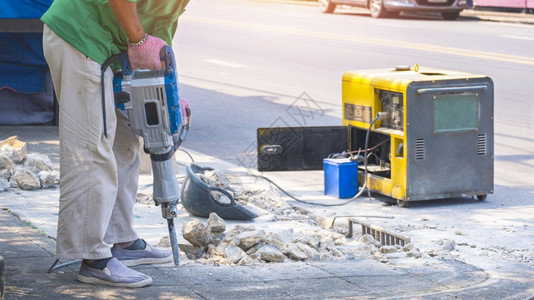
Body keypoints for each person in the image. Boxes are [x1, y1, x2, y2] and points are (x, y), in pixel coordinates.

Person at [41, 0, 190, 288]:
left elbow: (161, 24)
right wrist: (139, 41)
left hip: (116, 44)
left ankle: (121, 239)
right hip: (81, 36)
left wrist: (168, 83)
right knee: (92, 146)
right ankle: (92, 257)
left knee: (125, 143)